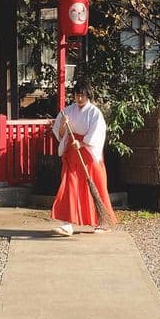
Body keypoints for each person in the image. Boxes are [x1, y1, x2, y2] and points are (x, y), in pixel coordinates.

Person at [51, 81, 118, 236]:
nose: (79, 98)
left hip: (88, 154)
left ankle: (103, 221)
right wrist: (63, 124)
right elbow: (60, 134)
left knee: (97, 186)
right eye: (77, 95)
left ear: (88, 96)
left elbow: (98, 133)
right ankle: (67, 223)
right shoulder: (67, 111)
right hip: (72, 154)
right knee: (69, 186)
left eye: (82, 95)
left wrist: (82, 142)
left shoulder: (94, 113)